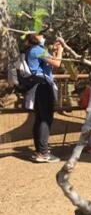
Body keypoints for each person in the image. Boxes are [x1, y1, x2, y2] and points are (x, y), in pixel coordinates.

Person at [26, 33, 64, 163]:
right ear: (35, 37)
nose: (44, 37)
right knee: (45, 119)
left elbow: (49, 65)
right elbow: (57, 63)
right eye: (41, 35)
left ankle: (39, 151)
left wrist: (53, 52)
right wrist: (60, 51)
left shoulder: (33, 49)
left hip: (37, 86)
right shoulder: (38, 50)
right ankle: (43, 153)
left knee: (40, 119)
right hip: (42, 86)